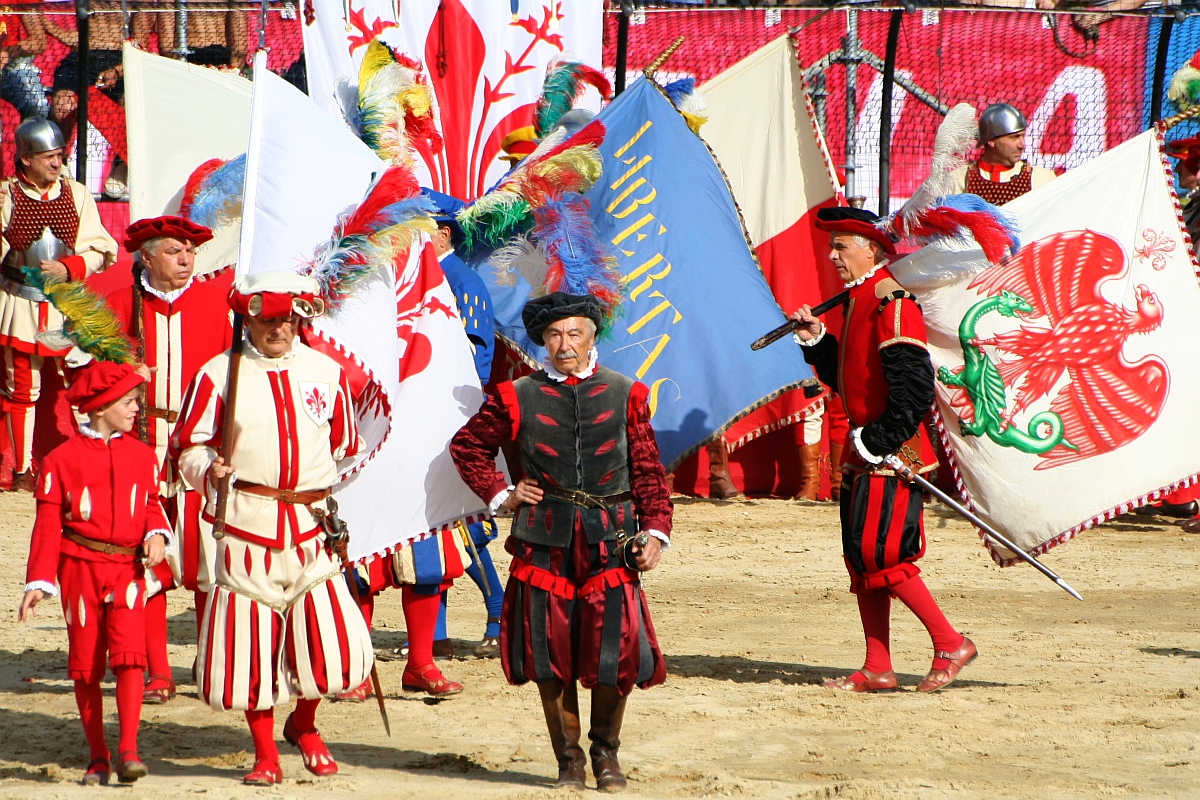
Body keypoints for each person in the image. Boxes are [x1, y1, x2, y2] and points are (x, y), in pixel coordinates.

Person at [451, 292, 671, 791]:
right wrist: (502, 492)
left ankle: (606, 755)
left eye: (574, 333)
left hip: (610, 540)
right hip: (543, 539)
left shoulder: (625, 392)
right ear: (542, 340)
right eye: (554, 335)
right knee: (548, 654)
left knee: (614, 648)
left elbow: (648, 470)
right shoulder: (517, 393)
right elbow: (467, 447)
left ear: (593, 335)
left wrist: (655, 533)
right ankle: (569, 761)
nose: (564, 344)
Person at [170, 272, 373, 785]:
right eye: (266, 320)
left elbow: (346, 447)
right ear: (248, 320)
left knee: (329, 643)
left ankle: (304, 725)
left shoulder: (327, 373)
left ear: (300, 319)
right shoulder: (219, 374)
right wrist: (206, 469)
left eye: (286, 319)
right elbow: (187, 449)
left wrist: (326, 499)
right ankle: (264, 753)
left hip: (311, 528)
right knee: (248, 648)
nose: (277, 329)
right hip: (246, 527)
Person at [789, 206, 976, 694]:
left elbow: (913, 387)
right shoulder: (861, 300)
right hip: (867, 448)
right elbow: (853, 380)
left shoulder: (892, 302)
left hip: (894, 451)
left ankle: (950, 642)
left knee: (882, 552)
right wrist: (817, 343)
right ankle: (878, 666)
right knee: (861, 557)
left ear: (870, 248)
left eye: (840, 246)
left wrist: (878, 441)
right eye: (832, 247)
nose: (833, 256)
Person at [18, 360, 172, 785]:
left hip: (127, 568)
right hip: (79, 571)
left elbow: (150, 503)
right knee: (86, 664)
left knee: (129, 658)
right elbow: (47, 526)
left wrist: (157, 533)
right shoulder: (60, 460)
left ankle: (128, 749)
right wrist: (38, 581)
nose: (137, 409)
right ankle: (98, 755)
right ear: (101, 407)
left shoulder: (142, 455)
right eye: (129, 401)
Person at [105, 215, 234, 705]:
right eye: (175, 252)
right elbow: (90, 379)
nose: (186, 260)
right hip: (142, 444)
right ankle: (158, 669)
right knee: (148, 556)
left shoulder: (217, 304)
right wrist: (122, 375)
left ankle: (210, 658)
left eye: (190, 252)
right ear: (147, 257)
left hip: (201, 445)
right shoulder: (120, 306)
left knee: (207, 558)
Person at [0, 117, 118, 490]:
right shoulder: (7, 196)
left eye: (60, 155)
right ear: (26, 160)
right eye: (49, 157)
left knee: (85, 382)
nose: (57, 163)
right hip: (19, 302)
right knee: (21, 388)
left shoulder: (77, 194)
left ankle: (92, 461)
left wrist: (71, 267)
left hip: (68, 304)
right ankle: (22, 471)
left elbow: (101, 247)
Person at [415, 188, 504, 662]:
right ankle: (438, 631)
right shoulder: (420, 279)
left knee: (461, 523)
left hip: (453, 417)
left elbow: (471, 362)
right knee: (433, 523)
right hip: (423, 415)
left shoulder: (460, 282)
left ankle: (498, 610)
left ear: (443, 234)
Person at [951, 103, 1055, 205]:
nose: (1022, 145)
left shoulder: (1043, 179)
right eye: (1014, 137)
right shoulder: (958, 179)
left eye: (1022, 136)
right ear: (991, 140)